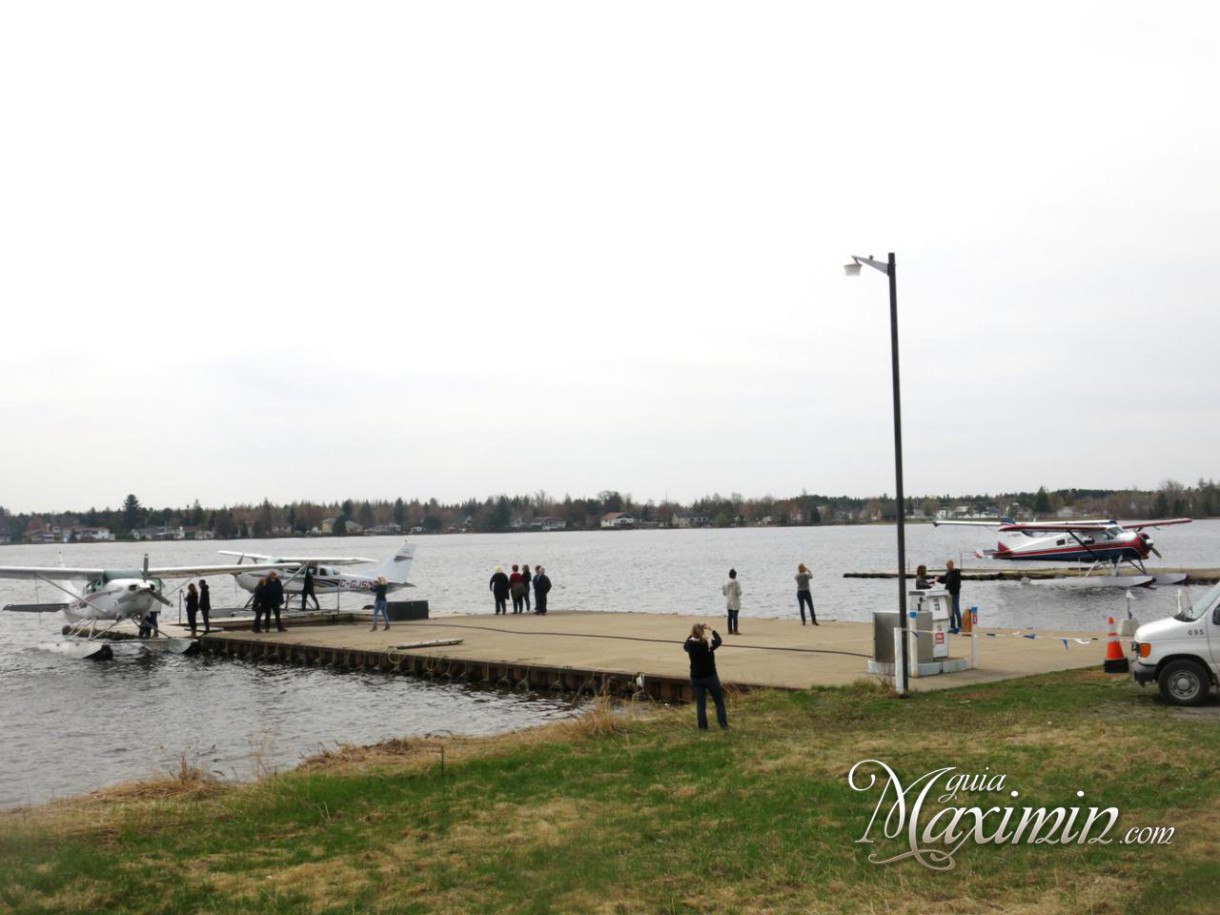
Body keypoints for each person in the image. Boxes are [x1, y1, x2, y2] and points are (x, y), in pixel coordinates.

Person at [683, 623, 728, 730]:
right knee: (719, 702)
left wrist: (692, 634)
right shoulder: (708, 643)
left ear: (692, 633)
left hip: (696, 677)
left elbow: (685, 645)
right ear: (702, 632)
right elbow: (719, 641)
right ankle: (723, 725)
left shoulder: (689, 645)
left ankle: (703, 728)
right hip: (710, 676)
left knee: (701, 705)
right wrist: (712, 630)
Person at [938, 559, 964, 632]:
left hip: (955, 594)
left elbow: (956, 584)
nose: (947, 566)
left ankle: (960, 625)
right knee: (950, 610)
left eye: (948, 565)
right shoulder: (948, 573)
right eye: (946, 565)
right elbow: (944, 580)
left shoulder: (956, 573)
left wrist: (953, 591)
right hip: (948, 594)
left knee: (956, 610)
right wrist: (938, 579)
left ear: (952, 565)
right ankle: (952, 626)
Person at [722, 568, 742, 634]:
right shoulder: (736, 583)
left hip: (728, 601)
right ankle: (735, 630)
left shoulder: (725, 583)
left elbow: (724, 593)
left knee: (729, 616)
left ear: (729, 575)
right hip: (735, 600)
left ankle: (730, 630)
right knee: (735, 616)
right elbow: (739, 593)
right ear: (735, 575)